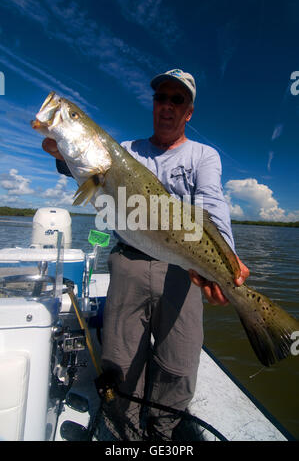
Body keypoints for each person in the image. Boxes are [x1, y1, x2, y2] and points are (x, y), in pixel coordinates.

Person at [42, 69, 249, 440]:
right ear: (153, 105)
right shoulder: (124, 150)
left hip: (185, 268)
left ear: (188, 112)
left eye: (177, 100)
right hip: (129, 261)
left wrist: (228, 259)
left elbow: (211, 206)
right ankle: (124, 434)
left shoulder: (204, 155)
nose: (167, 105)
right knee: (120, 360)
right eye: (161, 98)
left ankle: (164, 434)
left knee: (179, 365)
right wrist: (61, 146)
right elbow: (83, 165)